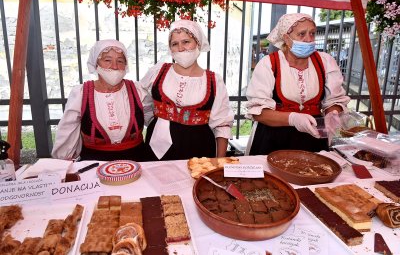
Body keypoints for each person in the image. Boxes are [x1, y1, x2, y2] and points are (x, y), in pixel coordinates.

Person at [245, 13, 350, 155]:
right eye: (302, 34)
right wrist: (293, 118)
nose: (309, 39)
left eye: (312, 33)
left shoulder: (325, 62)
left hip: (313, 137)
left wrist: (333, 113)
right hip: (273, 139)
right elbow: (258, 112)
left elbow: (335, 100)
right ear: (286, 38)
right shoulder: (269, 64)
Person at [139, 19, 234, 161]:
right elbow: (143, 103)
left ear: (198, 43)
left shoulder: (214, 81)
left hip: (199, 147)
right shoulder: (158, 72)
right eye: (174, 44)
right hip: (158, 146)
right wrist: (157, 121)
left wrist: (219, 162)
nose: (181, 48)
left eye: (186, 42)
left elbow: (222, 124)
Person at [52, 39, 147, 161]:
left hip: (137, 162)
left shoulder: (138, 91)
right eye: (107, 60)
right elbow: (67, 131)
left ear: (126, 65)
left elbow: (152, 118)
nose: (114, 66)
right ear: (96, 64)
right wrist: (64, 160)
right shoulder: (81, 94)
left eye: (120, 61)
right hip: (94, 165)